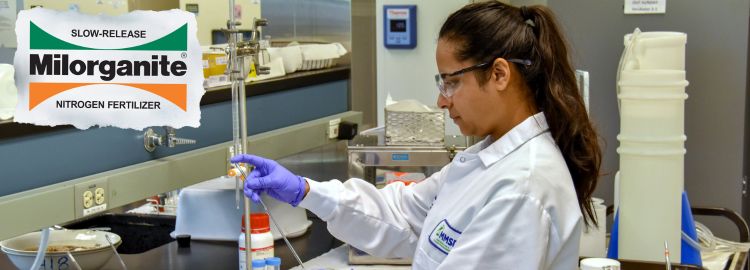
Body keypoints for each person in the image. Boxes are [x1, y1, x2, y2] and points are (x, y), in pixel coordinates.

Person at [232, 2, 601, 269]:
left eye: (452, 82)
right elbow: (404, 214)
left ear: (500, 74)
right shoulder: (489, 161)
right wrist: (305, 191)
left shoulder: (523, 187)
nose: (441, 100)